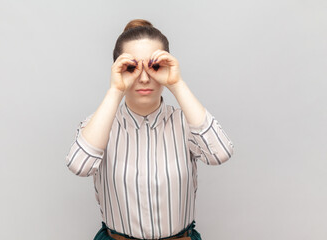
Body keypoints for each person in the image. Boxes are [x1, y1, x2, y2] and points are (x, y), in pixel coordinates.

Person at [65, 19, 234, 240]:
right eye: (131, 67)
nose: (144, 78)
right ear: (118, 69)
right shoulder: (100, 125)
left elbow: (221, 153)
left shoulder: (186, 122)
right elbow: (79, 166)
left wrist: (176, 84)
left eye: (155, 66)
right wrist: (116, 89)